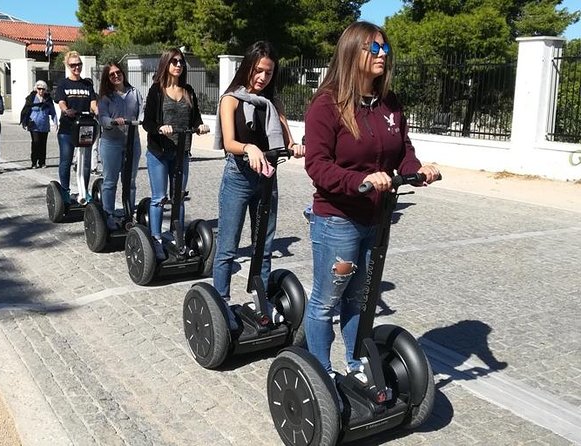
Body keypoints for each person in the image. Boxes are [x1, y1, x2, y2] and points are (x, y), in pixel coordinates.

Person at [303, 21, 440, 378]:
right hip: (338, 219)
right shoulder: (327, 104)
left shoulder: (388, 102)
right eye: (373, 49)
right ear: (353, 53)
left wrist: (418, 169)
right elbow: (317, 166)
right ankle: (320, 374)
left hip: (376, 218)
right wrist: (360, 180)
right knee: (326, 302)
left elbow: (401, 150)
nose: (382, 55)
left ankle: (355, 365)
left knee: (359, 300)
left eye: (385, 49)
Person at [212, 41, 304, 325]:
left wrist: (296, 146)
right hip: (238, 176)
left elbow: (288, 140)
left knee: (263, 246)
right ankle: (221, 304)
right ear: (248, 68)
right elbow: (229, 142)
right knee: (227, 247)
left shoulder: (274, 104)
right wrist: (248, 147)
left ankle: (260, 302)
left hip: (267, 178)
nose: (263, 77)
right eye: (259, 71)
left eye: (269, 72)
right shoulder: (230, 99)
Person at [142, 48, 209, 259]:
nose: (178, 65)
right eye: (174, 61)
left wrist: (200, 125)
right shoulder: (156, 90)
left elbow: (195, 117)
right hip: (159, 152)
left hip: (181, 152)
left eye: (181, 62)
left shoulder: (188, 90)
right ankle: (155, 239)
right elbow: (147, 123)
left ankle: (176, 236)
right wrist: (160, 127)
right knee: (160, 198)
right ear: (166, 64)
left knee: (178, 197)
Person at [97, 62, 145, 230]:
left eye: (118, 72)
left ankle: (128, 213)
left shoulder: (135, 93)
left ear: (123, 73)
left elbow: (142, 110)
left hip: (133, 142)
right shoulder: (106, 97)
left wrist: (144, 120)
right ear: (108, 79)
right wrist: (111, 122)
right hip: (112, 143)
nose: (116, 76)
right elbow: (101, 117)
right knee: (110, 181)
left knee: (130, 181)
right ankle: (108, 214)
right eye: (112, 74)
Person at [54, 51, 98, 203]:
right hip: (67, 128)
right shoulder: (63, 84)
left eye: (79, 64)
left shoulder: (87, 84)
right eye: (73, 65)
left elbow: (93, 102)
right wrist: (67, 110)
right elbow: (60, 101)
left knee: (85, 162)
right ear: (68, 66)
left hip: (85, 127)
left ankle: (84, 191)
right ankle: (65, 191)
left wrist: (97, 111)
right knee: (66, 160)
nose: (76, 67)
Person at [21, 80, 57, 169]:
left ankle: (42, 162)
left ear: (45, 90)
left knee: (43, 144)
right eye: (39, 89)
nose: (41, 91)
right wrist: (25, 122)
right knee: (35, 143)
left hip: (44, 124)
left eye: (43, 89)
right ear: (36, 89)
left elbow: (53, 112)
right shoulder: (31, 98)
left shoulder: (48, 99)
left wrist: (55, 122)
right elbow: (26, 110)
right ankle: (34, 162)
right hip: (34, 125)